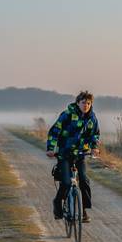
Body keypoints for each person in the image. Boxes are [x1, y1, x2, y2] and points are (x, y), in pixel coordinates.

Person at [47, 90, 101, 222]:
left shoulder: (92, 118)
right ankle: (57, 203)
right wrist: (50, 149)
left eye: (88, 103)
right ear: (77, 103)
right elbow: (55, 131)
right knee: (65, 183)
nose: (86, 105)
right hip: (64, 154)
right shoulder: (67, 115)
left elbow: (95, 135)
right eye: (83, 103)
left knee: (84, 180)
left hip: (80, 154)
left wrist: (94, 148)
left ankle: (83, 211)